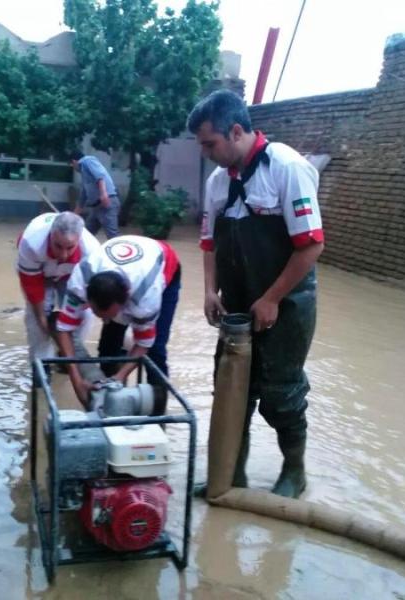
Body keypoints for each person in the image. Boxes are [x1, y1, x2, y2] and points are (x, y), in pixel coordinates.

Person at [187, 89, 324, 499]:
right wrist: (211, 291)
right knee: (232, 390)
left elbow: (311, 245)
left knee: (281, 394)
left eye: (210, 143)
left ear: (235, 131)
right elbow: (209, 243)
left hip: (288, 304)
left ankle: (294, 473)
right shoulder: (216, 183)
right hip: (237, 305)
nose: (206, 152)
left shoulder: (286, 168)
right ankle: (232, 475)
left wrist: (272, 298)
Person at [55, 235, 181, 408]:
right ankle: (107, 400)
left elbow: (144, 343)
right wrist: (77, 382)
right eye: (98, 315)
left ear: (125, 303)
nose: (104, 320)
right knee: (108, 346)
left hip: (164, 263)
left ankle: (158, 414)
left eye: (108, 315)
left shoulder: (145, 299)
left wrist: (120, 376)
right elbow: (63, 329)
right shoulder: (80, 280)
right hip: (124, 260)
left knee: (156, 352)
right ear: (88, 295)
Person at [16, 212, 100, 367]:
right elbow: (32, 287)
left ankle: (67, 356)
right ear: (51, 235)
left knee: (85, 316)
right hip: (39, 273)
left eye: (70, 247)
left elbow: (86, 297)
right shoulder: (31, 243)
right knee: (36, 322)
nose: (63, 254)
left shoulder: (92, 252)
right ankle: (41, 366)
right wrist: (42, 319)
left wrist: (69, 322)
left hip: (71, 274)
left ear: (79, 240)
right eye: (58, 246)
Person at [69, 151, 120, 239]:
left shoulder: (87, 161)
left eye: (72, 165)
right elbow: (83, 196)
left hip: (107, 203)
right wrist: (73, 216)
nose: (73, 168)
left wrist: (104, 194)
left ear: (74, 161)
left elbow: (100, 176)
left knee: (112, 236)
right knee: (86, 235)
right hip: (96, 208)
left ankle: (120, 251)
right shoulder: (84, 174)